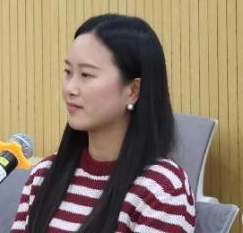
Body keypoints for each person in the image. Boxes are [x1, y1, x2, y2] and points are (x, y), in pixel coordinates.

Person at [11, 14, 196, 232]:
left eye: (86, 75)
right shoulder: (44, 175)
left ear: (133, 90)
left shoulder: (161, 189)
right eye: (68, 72)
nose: (70, 88)